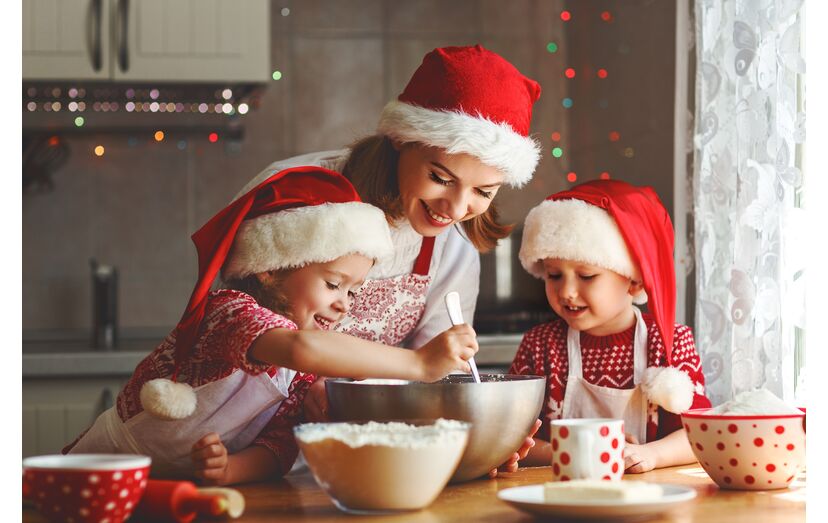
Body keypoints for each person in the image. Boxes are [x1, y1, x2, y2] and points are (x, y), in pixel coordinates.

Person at [63, 167, 479, 485]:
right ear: (270, 269)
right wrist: (420, 364)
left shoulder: (303, 368)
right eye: (334, 283)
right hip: (96, 471)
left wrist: (228, 470)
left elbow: (278, 448)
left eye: (353, 292)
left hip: (176, 492)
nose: (343, 304)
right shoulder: (229, 312)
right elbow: (300, 349)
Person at [238, 43, 541, 425]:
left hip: (366, 439)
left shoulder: (451, 245)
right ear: (401, 139)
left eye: (484, 192)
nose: (456, 208)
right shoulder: (292, 190)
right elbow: (233, 319)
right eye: (440, 178)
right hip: (242, 442)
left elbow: (438, 372)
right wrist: (309, 382)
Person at [510, 179, 712, 473]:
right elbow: (512, 439)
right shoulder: (540, 345)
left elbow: (699, 433)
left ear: (635, 280)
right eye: (554, 275)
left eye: (587, 276)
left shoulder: (669, 343)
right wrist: (581, 451)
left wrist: (650, 455)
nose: (567, 291)